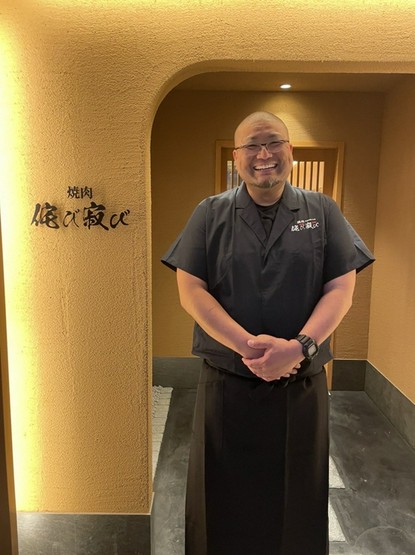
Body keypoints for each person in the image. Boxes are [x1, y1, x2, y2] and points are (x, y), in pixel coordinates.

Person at [161, 111, 374, 555]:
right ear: (236, 156)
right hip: (227, 383)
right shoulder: (210, 212)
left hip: (300, 385)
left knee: (297, 499)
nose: (264, 155)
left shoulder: (321, 211)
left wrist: (299, 348)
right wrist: (247, 347)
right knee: (220, 498)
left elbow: (341, 288)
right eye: (252, 146)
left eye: (274, 142)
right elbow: (191, 289)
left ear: (290, 150)